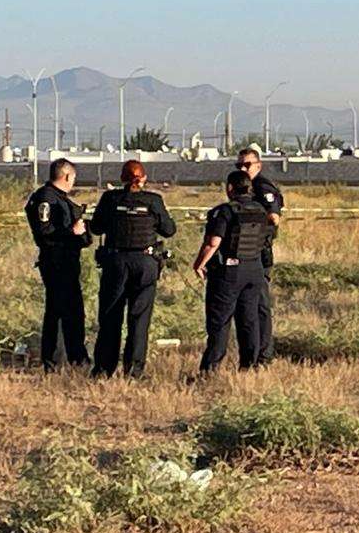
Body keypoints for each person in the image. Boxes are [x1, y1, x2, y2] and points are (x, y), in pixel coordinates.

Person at [88, 160, 176, 378]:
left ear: (122, 178)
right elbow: (169, 230)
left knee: (110, 317)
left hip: (115, 263)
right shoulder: (154, 201)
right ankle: (134, 371)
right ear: (144, 178)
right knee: (139, 319)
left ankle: (103, 370)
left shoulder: (110, 199)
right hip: (145, 263)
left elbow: (96, 227)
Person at [193, 170, 270, 375]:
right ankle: (250, 366)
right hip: (254, 270)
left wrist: (199, 264)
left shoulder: (225, 212)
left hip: (229, 272)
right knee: (249, 320)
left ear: (229, 188)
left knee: (220, 322)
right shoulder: (261, 211)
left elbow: (213, 243)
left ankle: (210, 369)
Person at [24, 158, 92, 372]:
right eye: (73, 178)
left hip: (66, 260)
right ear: (67, 176)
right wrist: (71, 233)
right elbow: (45, 232)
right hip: (56, 261)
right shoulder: (46, 199)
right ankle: (70, 359)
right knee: (65, 312)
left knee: (63, 311)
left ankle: (61, 359)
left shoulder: (60, 199)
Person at [236, 147, 284, 366]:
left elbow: (274, 217)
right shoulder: (243, 187)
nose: (243, 169)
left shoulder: (262, 187)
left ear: (258, 165)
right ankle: (253, 353)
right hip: (244, 252)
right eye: (239, 166)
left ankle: (264, 354)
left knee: (261, 305)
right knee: (247, 306)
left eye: (247, 165)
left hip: (259, 251)